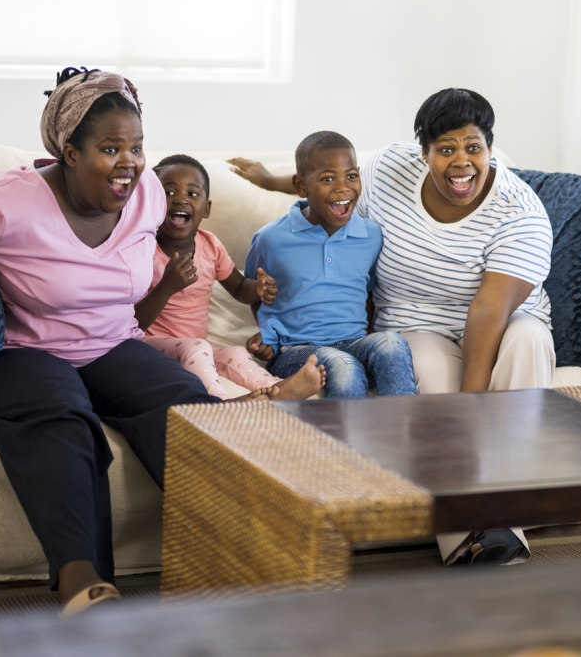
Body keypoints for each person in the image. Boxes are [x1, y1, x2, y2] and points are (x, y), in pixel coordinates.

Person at [0, 68, 322, 615]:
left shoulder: (148, 193)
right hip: (22, 351)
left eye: (136, 147)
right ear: (69, 151)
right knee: (60, 415)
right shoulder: (6, 202)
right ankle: (82, 582)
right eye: (110, 148)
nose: (129, 162)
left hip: (112, 343)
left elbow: (176, 251)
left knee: (187, 405)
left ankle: (245, 560)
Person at [229, 89, 554, 565]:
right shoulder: (388, 168)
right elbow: (328, 189)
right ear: (422, 153)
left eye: (474, 147)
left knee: (527, 343)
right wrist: (270, 180)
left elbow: (488, 312)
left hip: (504, 324)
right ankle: (465, 538)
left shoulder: (520, 213)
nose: (461, 162)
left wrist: (469, 411)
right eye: (446, 149)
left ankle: (501, 524)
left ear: (489, 148)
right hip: (417, 324)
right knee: (423, 367)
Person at [135, 154, 324, 400]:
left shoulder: (210, 246)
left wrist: (257, 288)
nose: (181, 199)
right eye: (169, 193)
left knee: (233, 352)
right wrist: (166, 287)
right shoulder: (144, 250)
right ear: (153, 202)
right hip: (150, 346)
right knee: (199, 347)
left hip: (193, 351)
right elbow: (132, 321)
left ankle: (278, 389)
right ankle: (221, 403)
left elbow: (238, 287)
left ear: (206, 208)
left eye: (193, 194)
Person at [243, 131, 416, 399]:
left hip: (355, 343)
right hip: (295, 351)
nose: (343, 187)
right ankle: (343, 443)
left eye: (351, 176)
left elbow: (368, 293)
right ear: (301, 186)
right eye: (327, 178)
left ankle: (403, 436)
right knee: (342, 365)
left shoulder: (371, 235)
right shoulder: (271, 239)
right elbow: (253, 290)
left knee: (391, 343)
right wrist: (268, 336)